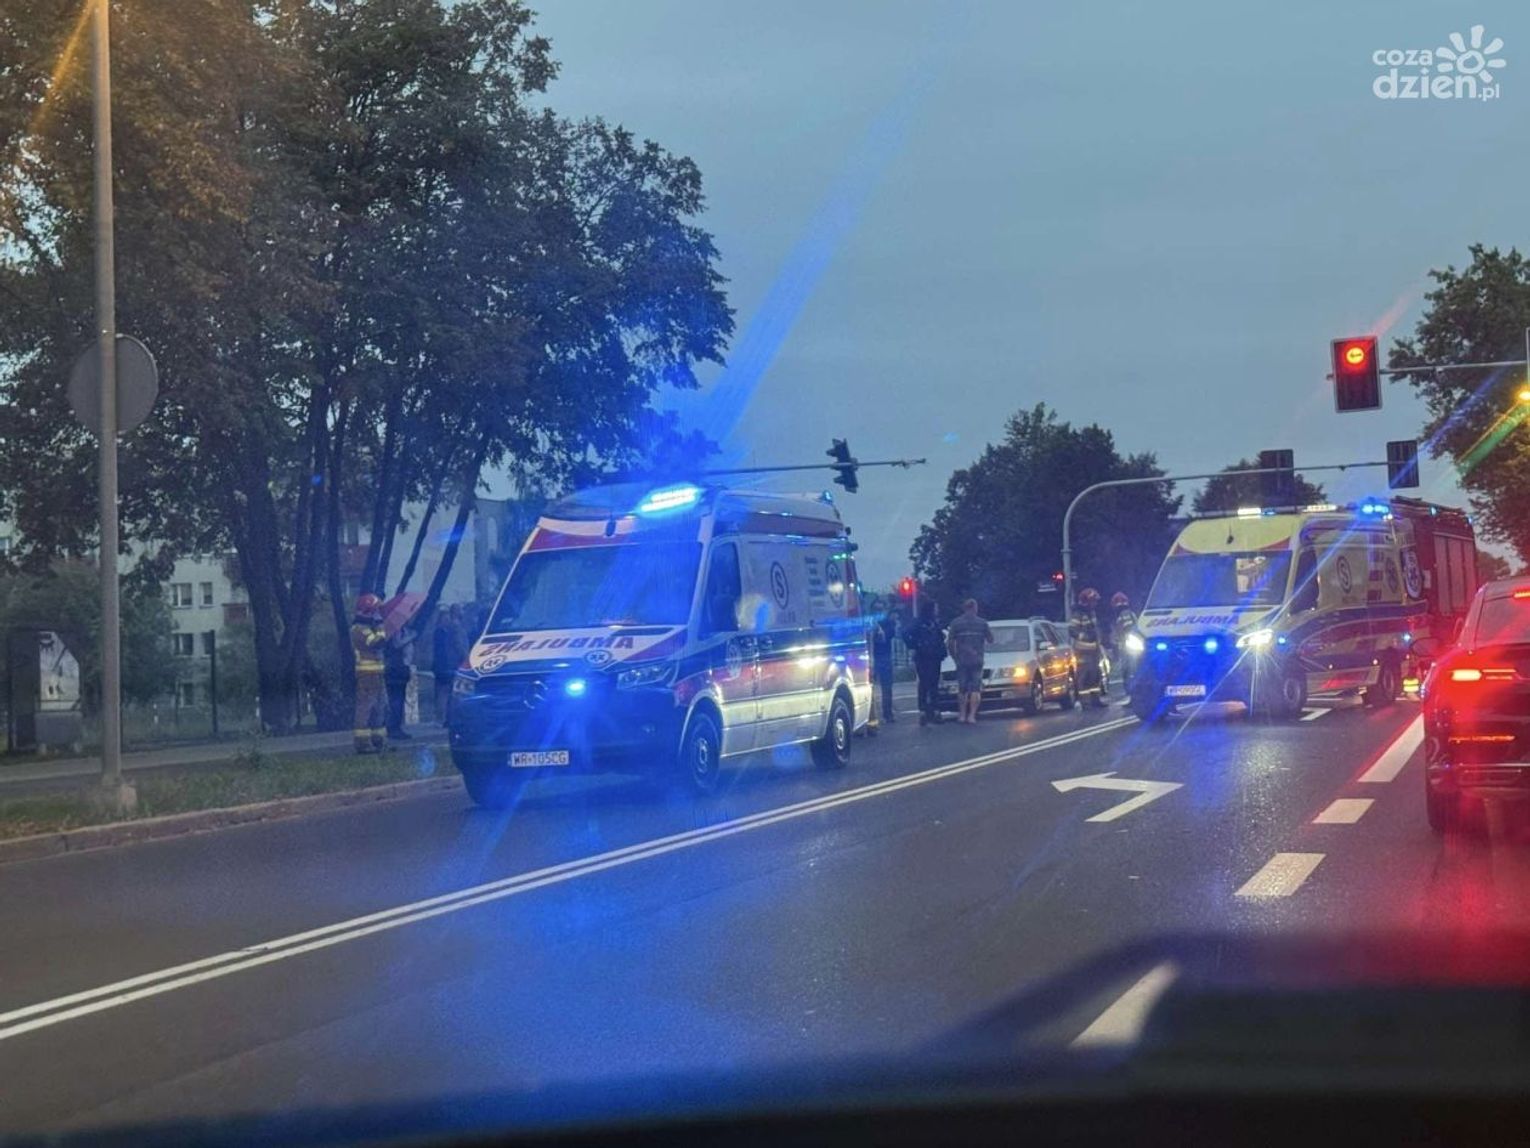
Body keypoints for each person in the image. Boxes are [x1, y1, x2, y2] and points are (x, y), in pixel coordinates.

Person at [350, 593, 389, 755]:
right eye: (375, 611)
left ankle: (378, 741)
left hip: (377, 674)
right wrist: (380, 626)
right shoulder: (359, 629)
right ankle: (362, 743)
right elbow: (377, 643)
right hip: (367, 675)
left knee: (380, 707)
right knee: (365, 708)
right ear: (368, 610)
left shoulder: (368, 628)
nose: (377, 614)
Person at [946, 598, 994, 724]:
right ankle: (972, 715)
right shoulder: (982, 623)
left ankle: (962, 715)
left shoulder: (956, 623)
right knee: (975, 688)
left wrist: (955, 657)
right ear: (975, 608)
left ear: (964, 608)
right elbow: (991, 640)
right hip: (977, 659)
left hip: (961, 660)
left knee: (962, 688)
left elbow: (950, 643)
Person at [904, 600, 947, 725]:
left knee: (934, 684)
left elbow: (940, 637)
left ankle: (935, 711)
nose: (937, 610)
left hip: (934, 656)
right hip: (922, 657)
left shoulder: (934, 623)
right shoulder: (919, 623)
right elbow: (905, 633)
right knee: (924, 684)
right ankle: (923, 711)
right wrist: (914, 645)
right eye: (935, 608)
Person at [1070, 587, 1109, 708]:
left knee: (1095, 675)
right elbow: (1072, 630)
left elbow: (1095, 629)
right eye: (1093, 601)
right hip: (1083, 651)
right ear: (1087, 601)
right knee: (1084, 676)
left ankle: (1095, 700)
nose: (1095, 604)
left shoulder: (1091, 613)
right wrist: (1085, 636)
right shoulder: (1078, 614)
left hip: (1093, 650)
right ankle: (1086, 702)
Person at [433, 605, 467, 725]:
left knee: (446, 692)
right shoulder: (455, 627)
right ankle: (445, 719)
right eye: (461, 610)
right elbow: (459, 645)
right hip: (452, 664)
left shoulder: (447, 628)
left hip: (447, 664)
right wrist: (466, 658)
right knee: (449, 692)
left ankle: (445, 718)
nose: (463, 612)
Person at [385, 623, 417, 740]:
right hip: (396, 669)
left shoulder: (403, 630)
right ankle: (393, 727)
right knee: (396, 700)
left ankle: (395, 726)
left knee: (398, 699)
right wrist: (411, 637)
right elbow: (397, 644)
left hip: (401, 668)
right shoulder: (394, 631)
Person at [872, 601, 900, 723]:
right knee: (874, 687)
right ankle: (875, 715)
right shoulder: (872, 623)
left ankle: (887, 713)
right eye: (876, 609)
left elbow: (886, 637)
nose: (878, 612)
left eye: (880, 609)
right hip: (875, 657)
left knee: (886, 687)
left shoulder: (887, 623)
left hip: (883, 657)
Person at [1108, 591, 1138, 691]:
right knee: (1132, 668)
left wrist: (1115, 644)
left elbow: (1121, 632)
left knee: (1127, 668)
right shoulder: (1131, 614)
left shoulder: (1122, 616)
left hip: (1126, 647)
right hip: (1132, 646)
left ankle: (1129, 689)